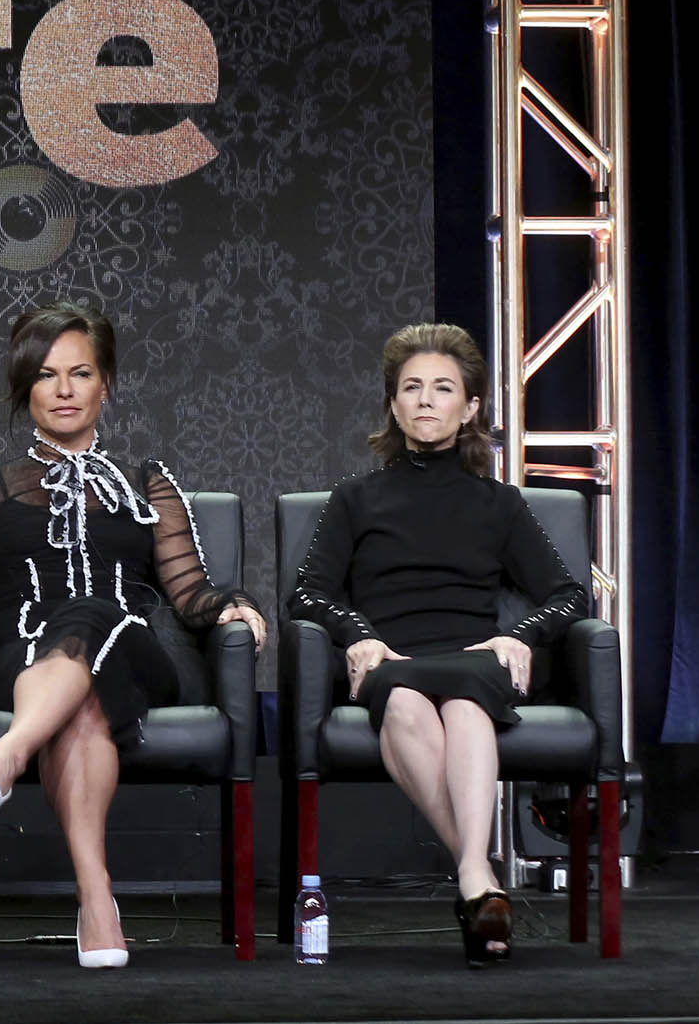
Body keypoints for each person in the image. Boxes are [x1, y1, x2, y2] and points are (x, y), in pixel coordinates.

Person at [0, 301, 264, 969]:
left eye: (80, 373)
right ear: (27, 387)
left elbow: (190, 591)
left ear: (105, 382)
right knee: (79, 710)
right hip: (22, 654)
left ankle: (11, 752)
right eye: (47, 375)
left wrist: (236, 605)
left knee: (92, 611)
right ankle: (97, 899)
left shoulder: (145, 482)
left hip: (132, 650)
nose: (64, 390)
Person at [289, 322, 587, 967]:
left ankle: (472, 876)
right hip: (394, 658)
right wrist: (359, 637)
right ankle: (479, 878)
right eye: (411, 388)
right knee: (403, 702)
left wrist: (519, 635)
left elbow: (569, 595)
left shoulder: (499, 503)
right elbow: (307, 594)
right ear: (393, 405)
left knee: (466, 702)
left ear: (471, 406)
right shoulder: (355, 498)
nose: (426, 400)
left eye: (443, 388)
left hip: (473, 658)